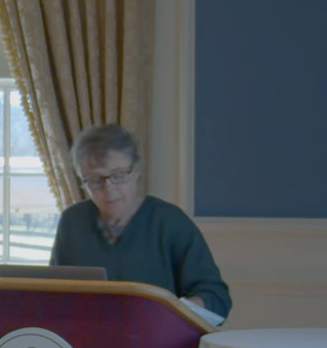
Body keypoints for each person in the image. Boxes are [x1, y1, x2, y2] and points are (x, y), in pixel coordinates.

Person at [50, 123, 232, 319]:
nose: (108, 189)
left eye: (118, 176)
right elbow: (51, 292)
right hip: (85, 340)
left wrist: (173, 311)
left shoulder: (170, 222)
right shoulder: (72, 221)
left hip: (159, 342)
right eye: (95, 180)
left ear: (136, 171)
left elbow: (217, 299)